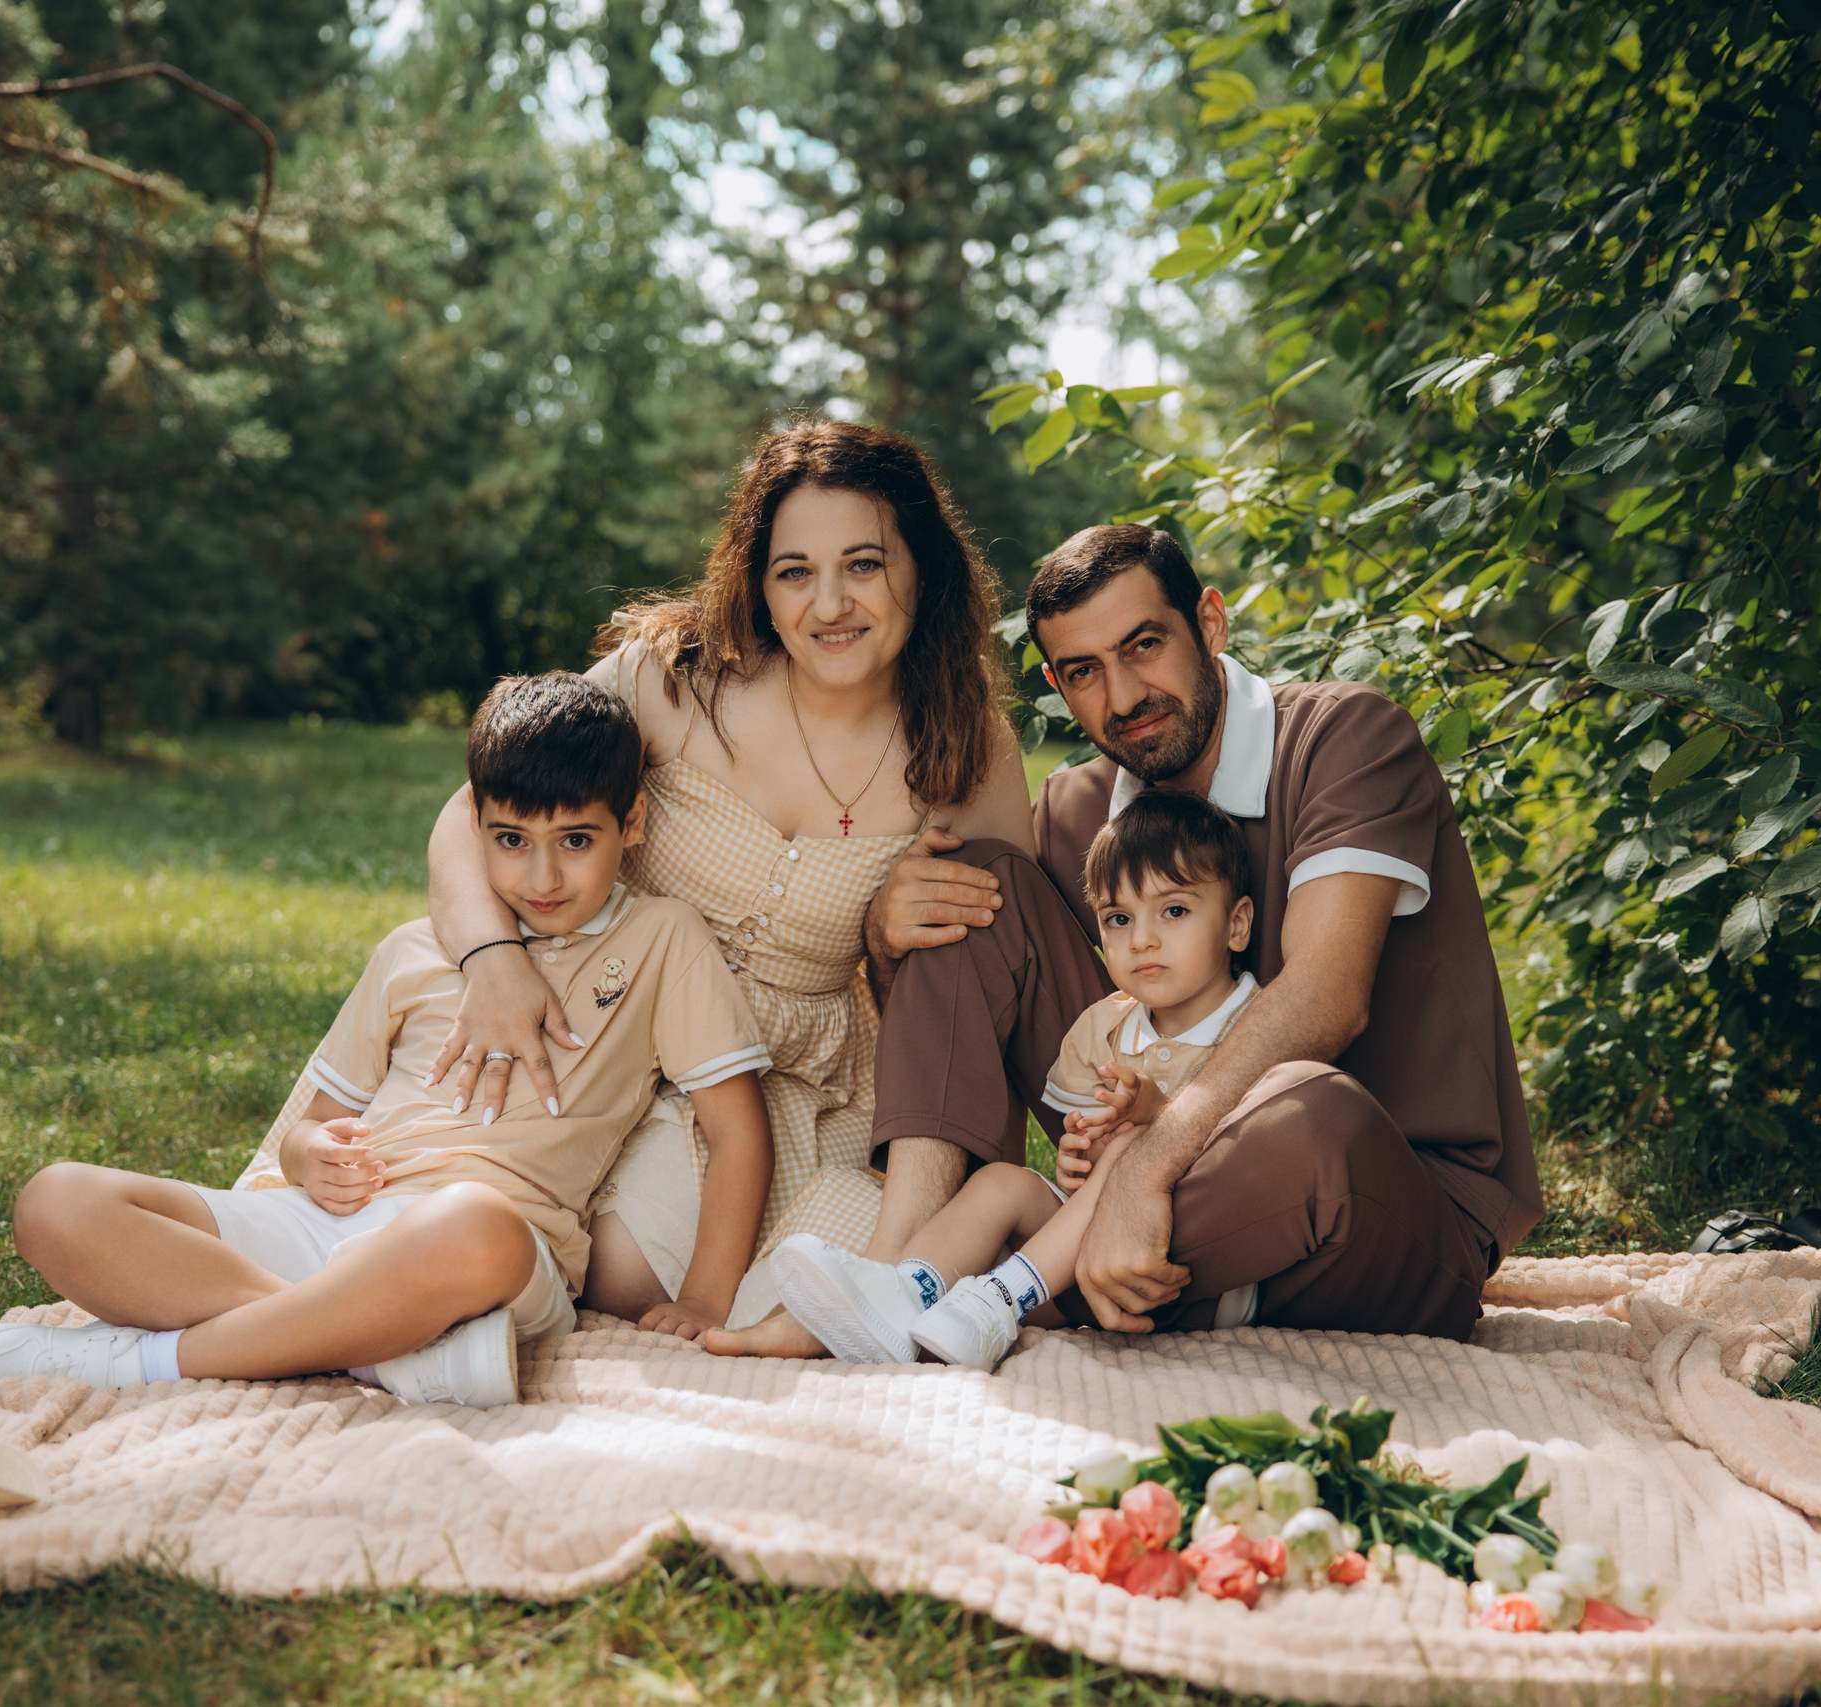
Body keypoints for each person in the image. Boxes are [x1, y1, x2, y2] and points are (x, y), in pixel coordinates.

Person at [0, 674, 775, 1405]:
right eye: (512, 840)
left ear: (630, 824)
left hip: (481, 1250)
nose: (542, 877)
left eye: (576, 842)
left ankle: (153, 1362)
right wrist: (312, 1157)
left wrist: (705, 1297)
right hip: (321, 1229)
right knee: (56, 1201)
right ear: (475, 824)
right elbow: (309, 1125)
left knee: (473, 1222)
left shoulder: (663, 940)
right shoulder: (413, 949)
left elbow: (734, 1129)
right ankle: (374, 1347)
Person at [833, 522, 1544, 1347]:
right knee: (974, 888)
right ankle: (907, 1277)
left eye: (1144, 645)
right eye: (1083, 673)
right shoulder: (1076, 814)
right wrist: (888, 946)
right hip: (1150, 1202)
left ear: (1209, 623)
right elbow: (970, 1007)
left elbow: (1328, 995)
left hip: (1377, 1207)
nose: (1124, 696)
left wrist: (1145, 1165)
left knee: (1312, 1104)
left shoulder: (1343, 737)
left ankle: (1015, 1279)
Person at [413, 420, 1033, 1337]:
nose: (830, 604)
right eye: (795, 571)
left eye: (863, 564)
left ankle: (877, 1268)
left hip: (788, 1087)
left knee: (638, 1270)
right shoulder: (674, 680)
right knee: (481, 1215)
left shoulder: (965, 749)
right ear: (758, 579)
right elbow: (477, 812)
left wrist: (882, 947)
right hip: (603, 1024)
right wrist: (493, 956)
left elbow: (982, 990)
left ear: (922, 569)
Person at [764, 792, 1264, 1371]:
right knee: (1004, 1182)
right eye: (1119, 919)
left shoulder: (1254, 1023)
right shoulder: (1104, 1026)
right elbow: (1078, 1147)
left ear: (1236, 923)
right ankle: (902, 1294)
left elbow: (1247, 1143)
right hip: (1082, 1260)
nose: (1142, 939)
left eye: (1173, 911)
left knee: (1134, 1146)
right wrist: (1080, 1153)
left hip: (1193, 1271)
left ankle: (995, 1303)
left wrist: (1153, 1115)